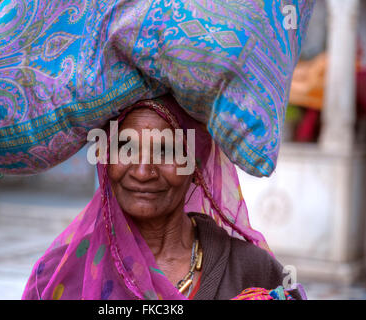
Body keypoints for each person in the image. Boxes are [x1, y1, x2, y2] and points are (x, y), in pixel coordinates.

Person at [22, 94, 304, 300]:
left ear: (196, 167)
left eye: (166, 151)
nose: (143, 172)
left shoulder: (252, 269)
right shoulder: (59, 275)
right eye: (126, 149)